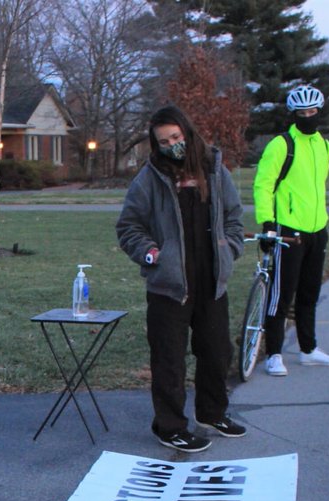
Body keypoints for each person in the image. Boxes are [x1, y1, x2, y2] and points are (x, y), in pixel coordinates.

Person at [116, 105, 246, 453]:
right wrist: (151, 254)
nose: (172, 145)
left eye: (176, 137)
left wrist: (229, 248)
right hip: (169, 288)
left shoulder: (214, 170)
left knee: (218, 351)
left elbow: (234, 217)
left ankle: (212, 413)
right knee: (169, 360)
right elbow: (128, 226)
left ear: (187, 133)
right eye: (163, 142)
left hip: (211, 282)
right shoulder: (150, 178)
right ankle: (170, 426)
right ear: (155, 145)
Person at [253, 84, 329, 377]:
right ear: (293, 114)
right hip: (288, 230)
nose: (308, 116)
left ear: (319, 111)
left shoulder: (324, 145)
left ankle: (309, 349)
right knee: (281, 295)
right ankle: (274, 354)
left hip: (318, 228)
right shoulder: (281, 144)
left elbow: (316, 186)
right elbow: (263, 184)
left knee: (309, 293)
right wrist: (267, 222)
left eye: (313, 111)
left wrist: (322, 223)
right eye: (302, 112)